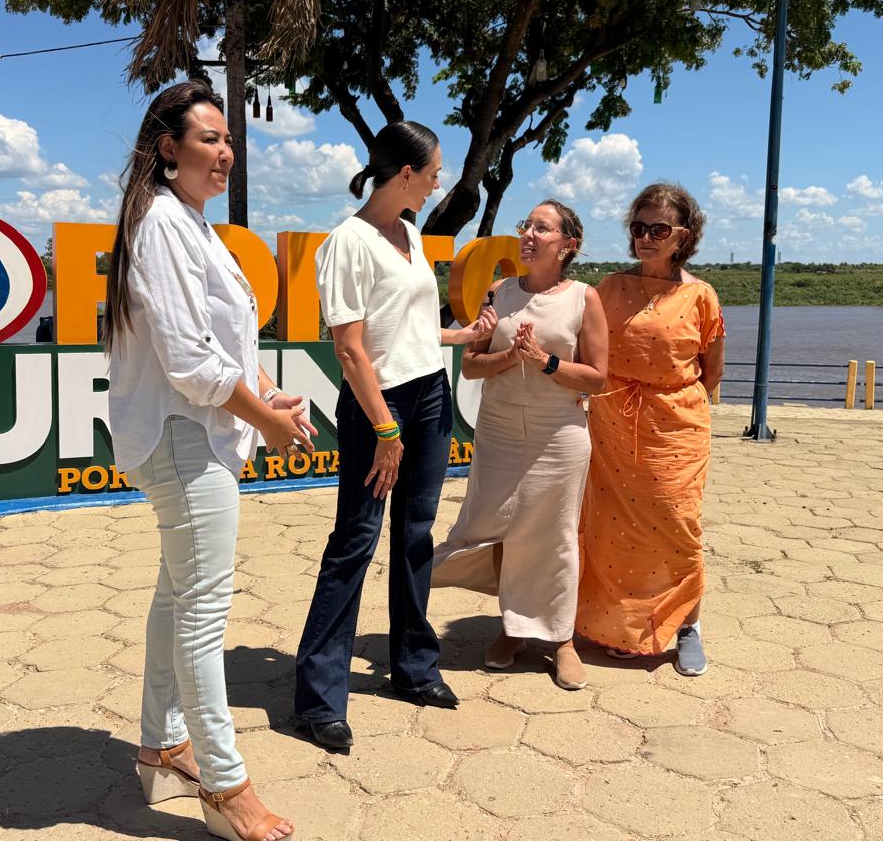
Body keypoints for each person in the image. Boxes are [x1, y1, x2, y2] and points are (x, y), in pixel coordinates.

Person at [106, 81, 313, 841]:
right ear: (169, 149)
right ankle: (226, 788)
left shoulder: (189, 223)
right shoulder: (164, 223)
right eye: (209, 139)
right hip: (183, 438)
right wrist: (266, 421)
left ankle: (163, 746)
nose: (225, 152)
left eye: (228, 140)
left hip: (193, 433)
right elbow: (191, 364)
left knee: (177, 596)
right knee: (202, 614)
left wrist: (270, 394)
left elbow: (224, 344)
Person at [294, 121, 498, 749]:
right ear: (406, 174)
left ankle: (414, 668)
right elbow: (350, 349)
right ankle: (318, 699)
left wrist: (461, 337)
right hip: (377, 405)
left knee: (415, 535)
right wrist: (386, 428)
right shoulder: (347, 242)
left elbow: (408, 327)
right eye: (433, 173)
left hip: (430, 391)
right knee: (356, 540)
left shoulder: (409, 232)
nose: (439, 184)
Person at [432, 200, 608, 690]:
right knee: (499, 529)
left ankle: (561, 640)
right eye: (526, 226)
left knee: (554, 536)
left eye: (542, 228)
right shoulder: (499, 291)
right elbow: (471, 366)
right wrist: (512, 356)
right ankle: (513, 627)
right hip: (499, 430)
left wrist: (545, 362)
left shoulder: (585, 298)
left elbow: (597, 378)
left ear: (568, 244)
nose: (529, 234)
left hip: (559, 434)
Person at [577, 182, 725, 677]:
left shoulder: (700, 295)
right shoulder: (609, 288)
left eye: (659, 229)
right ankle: (626, 627)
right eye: (639, 227)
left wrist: (669, 402)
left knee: (678, 524)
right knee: (614, 528)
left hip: (676, 427)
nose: (646, 237)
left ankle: (687, 626)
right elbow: (585, 349)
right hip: (612, 424)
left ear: (684, 234)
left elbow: (712, 371)